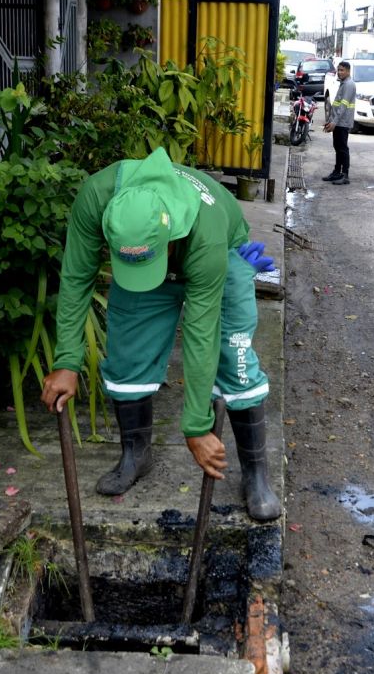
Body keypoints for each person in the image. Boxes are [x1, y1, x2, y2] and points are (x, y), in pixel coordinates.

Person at [40, 147, 281, 522]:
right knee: (128, 351)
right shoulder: (96, 199)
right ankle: (136, 455)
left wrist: (196, 426)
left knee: (233, 357)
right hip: (151, 251)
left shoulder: (204, 233)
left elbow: (201, 331)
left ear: (170, 237)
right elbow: (76, 278)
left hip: (219, 253)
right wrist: (67, 361)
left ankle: (256, 474)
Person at [322, 61, 355, 186]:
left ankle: (345, 175)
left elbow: (343, 106)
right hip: (338, 121)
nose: (339, 72)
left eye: (342, 70)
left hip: (343, 122)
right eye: (338, 70)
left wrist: (334, 122)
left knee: (342, 149)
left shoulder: (349, 85)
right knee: (338, 147)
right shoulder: (343, 83)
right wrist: (330, 120)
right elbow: (336, 105)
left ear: (348, 71)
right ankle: (337, 172)